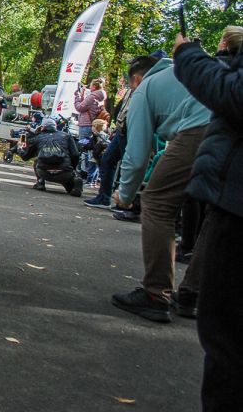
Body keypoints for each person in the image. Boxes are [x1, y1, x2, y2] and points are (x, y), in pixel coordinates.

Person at [109, 50, 211, 323]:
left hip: (198, 132)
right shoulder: (185, 72)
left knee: (157, 202)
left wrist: (126, 195)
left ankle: (156, 294)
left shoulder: (145, 89)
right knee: (219, 214)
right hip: (229, 128)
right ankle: (192, 294)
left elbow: (137, 152)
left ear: (136, 80)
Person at [172, 26, 243, 410]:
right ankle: (187, 290)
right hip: (227, 197)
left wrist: (188, 56)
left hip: (235, 201)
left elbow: (235, 95)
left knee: (226, 336)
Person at [84, 56, 159, 209]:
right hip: (121, 130)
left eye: (133, 65)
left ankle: (126, 201)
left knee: (129, 164)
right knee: (108, 160)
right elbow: (123, 107)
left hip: (130, 130)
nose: (130, 68)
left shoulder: (146, 86)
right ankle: (104, 197)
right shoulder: (134, 85)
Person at [15, 116, 83, 196]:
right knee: (70, 186)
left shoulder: (38, 138)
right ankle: (74, 184)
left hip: (44, 172)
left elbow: (25, 156)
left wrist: (20, 148)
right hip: (64, 172)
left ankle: (40, 182)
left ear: (43, 128)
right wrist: (72, 168)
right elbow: (75, 154)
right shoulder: (66, 136)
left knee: (37, 160)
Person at [75, 78, 107, 179]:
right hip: (95, 124)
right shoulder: (101, 96)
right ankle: (92, 175)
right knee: (93, 150)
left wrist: (77, 96)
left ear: (94, 86)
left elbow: (80, 107)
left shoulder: (92, 97)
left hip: (86, 124)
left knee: (85, 149)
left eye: (91, 85)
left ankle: (86, 174)